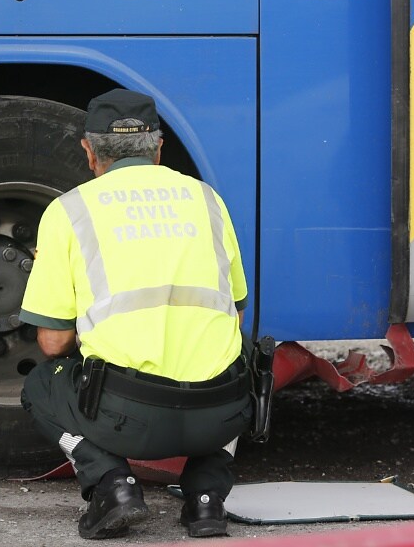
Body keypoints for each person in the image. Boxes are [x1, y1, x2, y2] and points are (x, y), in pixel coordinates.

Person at [19, 88, 252, 540]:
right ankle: (206, 499)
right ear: (159, 148)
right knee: (238, 361)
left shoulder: (69, 211)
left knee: (42, 384)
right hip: (219, 416)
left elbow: (52, 344)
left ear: (89, 151)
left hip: (126, 419)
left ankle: (113, 484)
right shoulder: (208, 200)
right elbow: (236, 319)